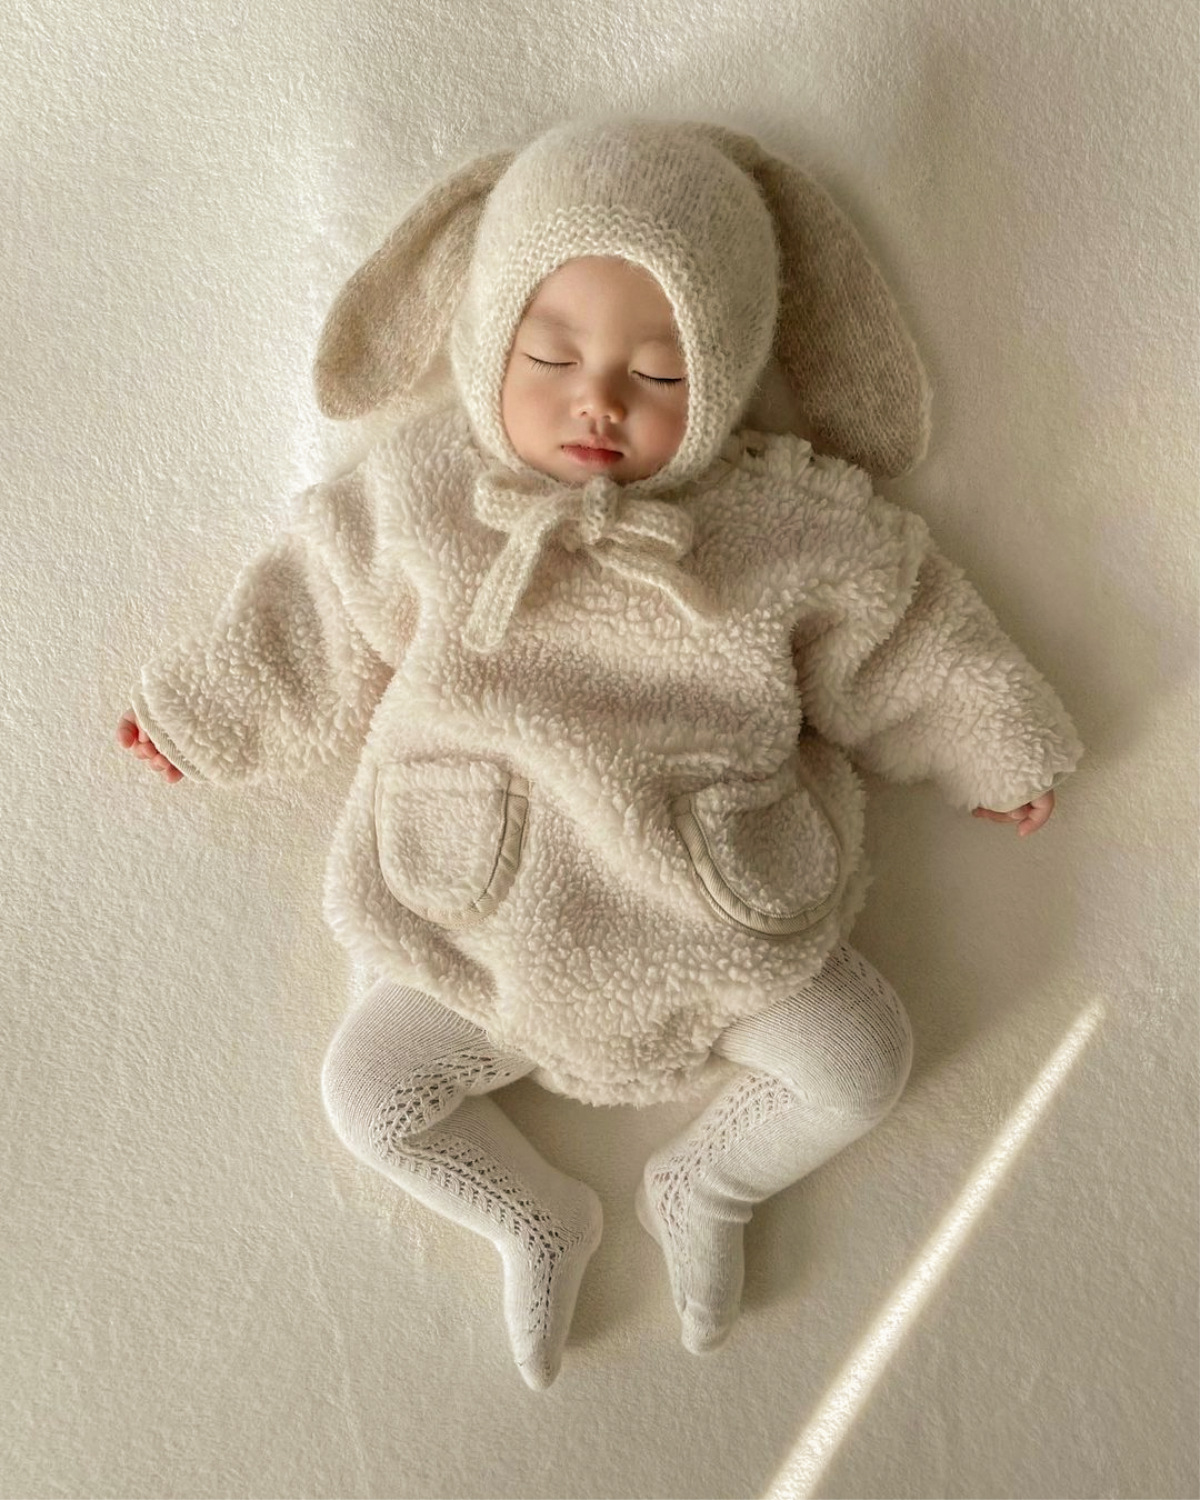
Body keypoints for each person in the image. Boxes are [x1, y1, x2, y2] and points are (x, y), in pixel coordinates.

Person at [116, 116, 1082, 1390]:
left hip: (713, 915)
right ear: (485, 336)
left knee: (860, 1063)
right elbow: (315, 604)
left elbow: (905, 634)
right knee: (370, 1096)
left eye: (662, 374)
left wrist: (993, 741)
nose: (601, 401)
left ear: (730, 375)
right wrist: (205, 710)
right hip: (479, 919)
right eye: (552, 355)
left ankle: (707, 1183)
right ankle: (535, 1215)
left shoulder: (784, 525)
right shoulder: (426, 496)